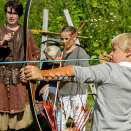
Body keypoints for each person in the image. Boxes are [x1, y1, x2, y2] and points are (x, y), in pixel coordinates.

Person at [23, 33, 131, 131]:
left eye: (114, 50)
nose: (110, 53)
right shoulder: (112, 70)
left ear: (128, 52)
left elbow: (75, 72)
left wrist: (41, 74)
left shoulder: (108, 69)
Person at [0, 1, 40, 130]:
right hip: (1, 77)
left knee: (19, 108)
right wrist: (2, 42)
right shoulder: (0, 30)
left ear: (19, 15)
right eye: (9, 13)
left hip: (19, 77)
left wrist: (28, 68)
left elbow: (35, 54)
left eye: (15, 14)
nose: (11, 16)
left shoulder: (26, 32)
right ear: (5, 13)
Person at [58, 26, 89, 130]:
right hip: (63, 90)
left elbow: (85, 72)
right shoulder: (60, 52)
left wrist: (66, 76)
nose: (64, 41)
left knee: (78, 118)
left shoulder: (80, 52)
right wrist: (55, 64)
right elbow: (54, 71)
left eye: (67, 39)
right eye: (62, 39)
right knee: (60, 118)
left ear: (75, 37)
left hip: (78, 90)